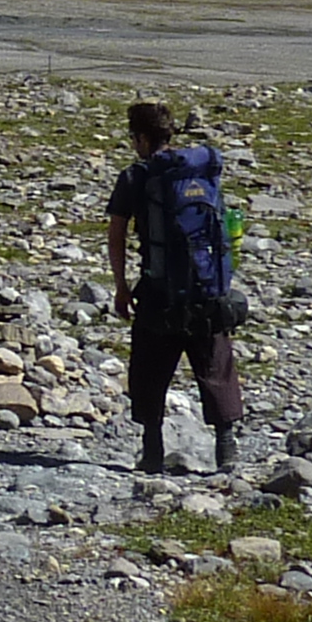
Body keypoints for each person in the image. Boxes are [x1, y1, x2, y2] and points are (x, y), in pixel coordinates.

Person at [105, 98, 246, 476]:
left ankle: (152, 450)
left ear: (142, 137)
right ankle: (226, 447)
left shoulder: (136, 177)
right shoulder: (200, 169)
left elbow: (116, 235)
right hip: (207, 286)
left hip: (159, 291)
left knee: (149, 369)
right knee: (215, 363)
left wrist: (121, 287)